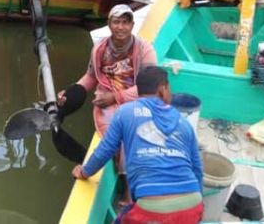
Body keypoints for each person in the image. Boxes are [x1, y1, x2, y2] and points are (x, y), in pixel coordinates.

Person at [72, 66, 204, 224]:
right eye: (170, 88)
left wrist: (84, 172)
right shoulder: (184, 123)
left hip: (151, 209)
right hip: (193, 205)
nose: (170, 93)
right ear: (162, 90)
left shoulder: (124, 112)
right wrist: (198, 208)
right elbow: (197, 169)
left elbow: (105, 150)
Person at [57, 3, 156, 204]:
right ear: (109, 24)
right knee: (119, 136)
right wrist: (72, 91)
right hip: (106, 103)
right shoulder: (100, 49)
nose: (120, 27)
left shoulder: (144, 49)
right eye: (116, 22)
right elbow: (90, 77)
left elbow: (149, 86)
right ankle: (127, 187)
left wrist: (116, 97)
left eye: (125, 22)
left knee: (138, 130)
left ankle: (133, 185)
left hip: (137, 99)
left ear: (132, 24)